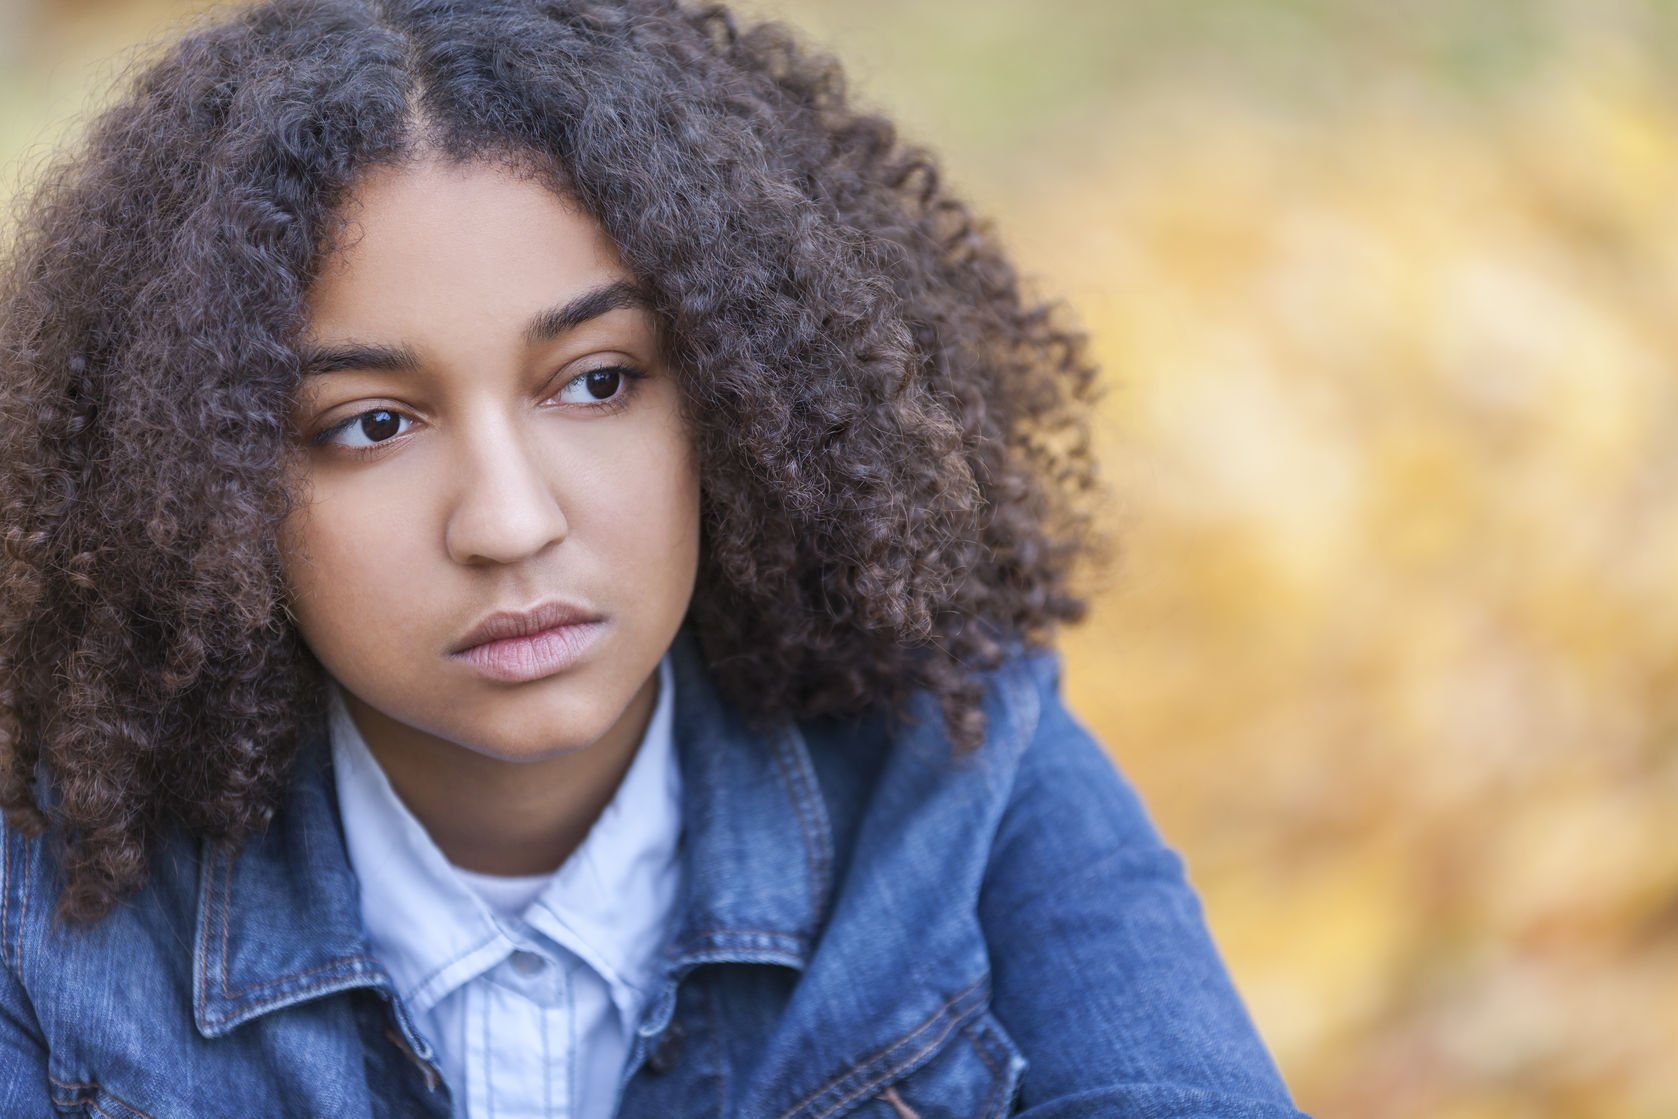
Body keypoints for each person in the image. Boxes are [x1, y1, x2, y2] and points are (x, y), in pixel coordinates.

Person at [0, 0, 1310, 1115]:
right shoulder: (36, 888)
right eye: (372, 425)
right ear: (198, 476)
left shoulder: (956, 770)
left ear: (742, 402)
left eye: (596, 382)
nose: (507, 522)